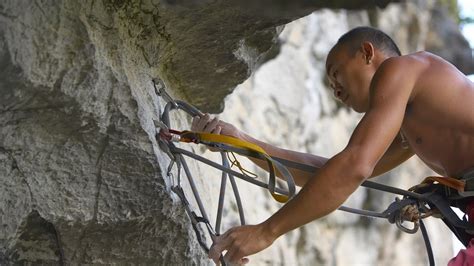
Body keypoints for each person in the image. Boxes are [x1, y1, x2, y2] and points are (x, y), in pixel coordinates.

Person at [191, 26, 474, 265]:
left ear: (366, 53)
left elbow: (354, 166)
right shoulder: (408, 127)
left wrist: (267, 231)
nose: (336, 91)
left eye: (336, 73)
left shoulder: (402, 69)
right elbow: (328, 174)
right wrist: (241, 142)